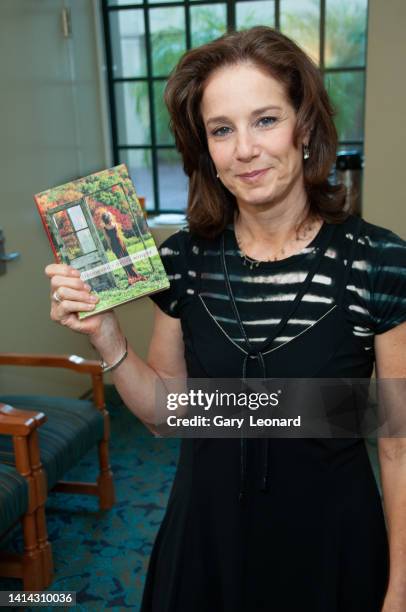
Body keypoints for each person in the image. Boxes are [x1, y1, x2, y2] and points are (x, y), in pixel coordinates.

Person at [45, 27, 406, 612]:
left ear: (305, 127)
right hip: (205, 539)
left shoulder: (379, 262)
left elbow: (398, 443)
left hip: (330, 542)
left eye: (265, 120)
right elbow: (167, 415)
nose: (244, 149)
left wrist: (400, 589)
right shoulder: (185, 258)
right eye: (222, 129)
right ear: (206, 149)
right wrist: (109, 340)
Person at [100, 210, 146, 285]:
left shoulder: (104, 229)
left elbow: (108, 239)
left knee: (122, 261)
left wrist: (111, 248)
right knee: (127, 258)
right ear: (109, 218)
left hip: (114, 245)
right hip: (120, 243)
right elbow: (118, 235)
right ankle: (135, 274)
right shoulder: (115, 224)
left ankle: (130, 277)